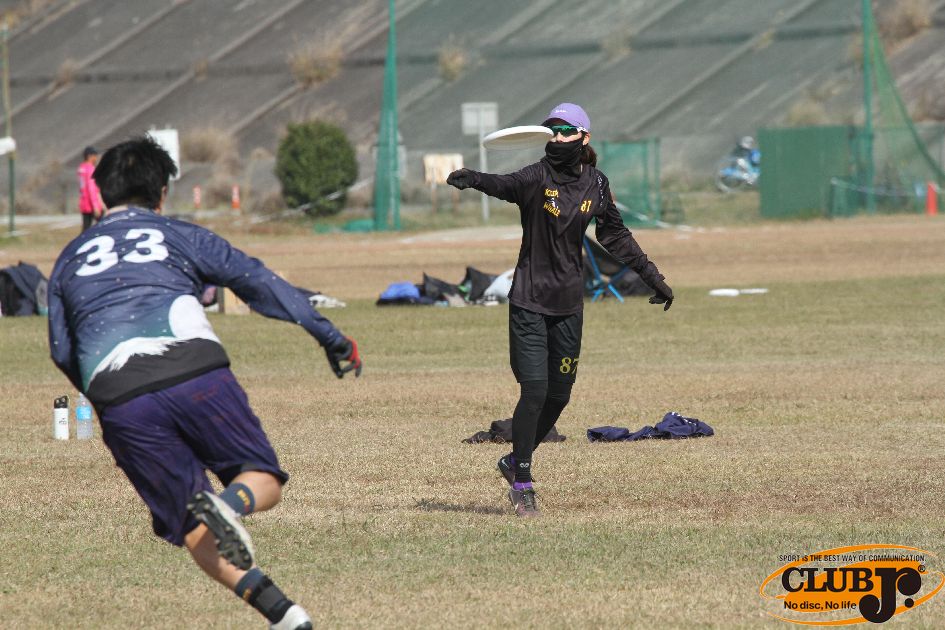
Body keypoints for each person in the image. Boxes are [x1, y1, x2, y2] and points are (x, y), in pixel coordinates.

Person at [48, 136, 363, 629]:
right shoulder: (178, 233)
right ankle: (228, 505)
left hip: (120, 397)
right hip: (194, 370)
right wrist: (330, 337)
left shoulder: (70, 257)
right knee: (261, 479)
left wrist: (107, 398)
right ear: (162, 192)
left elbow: (62, 349)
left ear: (101, 193)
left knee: (192, 523)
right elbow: (258, 281)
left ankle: (285, 616)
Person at [446, 103, 673, 517]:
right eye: (552, 129)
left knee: (559, 396)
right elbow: (505, 184)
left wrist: (653, 277)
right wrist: (474, 178)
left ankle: (513, 459)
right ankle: (523, 481)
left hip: (568, 306)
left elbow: (616, 235)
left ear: (584, 137)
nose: (558, 136)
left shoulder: (596, 184)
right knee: (534, 390)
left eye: (567, 130)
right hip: (529, 301)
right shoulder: (537, 177)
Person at [77, 145, 105, 232]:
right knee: (104, 226)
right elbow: (91, 189)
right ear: (89, 156)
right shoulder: (90, 169)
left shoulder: (81, 168)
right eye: (95, 155)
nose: (96, 157)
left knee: (86, 229)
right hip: (92, 204)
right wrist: (96, 206)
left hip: (84, 203)